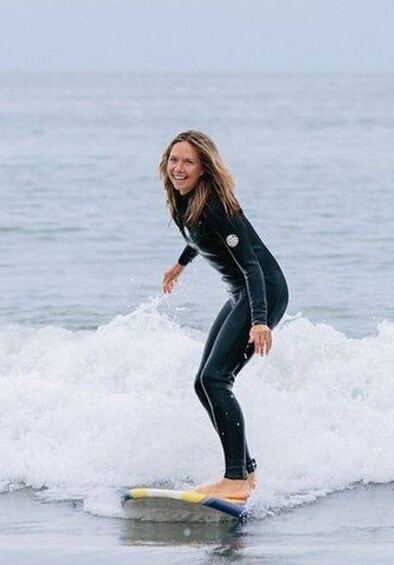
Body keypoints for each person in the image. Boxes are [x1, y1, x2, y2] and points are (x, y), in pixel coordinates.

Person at [159, 130, 289, 500]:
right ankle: (246, 473)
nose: (179, 168)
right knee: (204, 381)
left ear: (203, 168)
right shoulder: (183, 200)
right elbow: (198, 238)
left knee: (216, 379)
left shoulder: (217, 206)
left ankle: (235, 479)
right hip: (241, 295)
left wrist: (261, 320)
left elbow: (251, 267)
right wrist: (180, 265)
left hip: (261, 290)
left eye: (188, 162)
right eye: (174, 160)